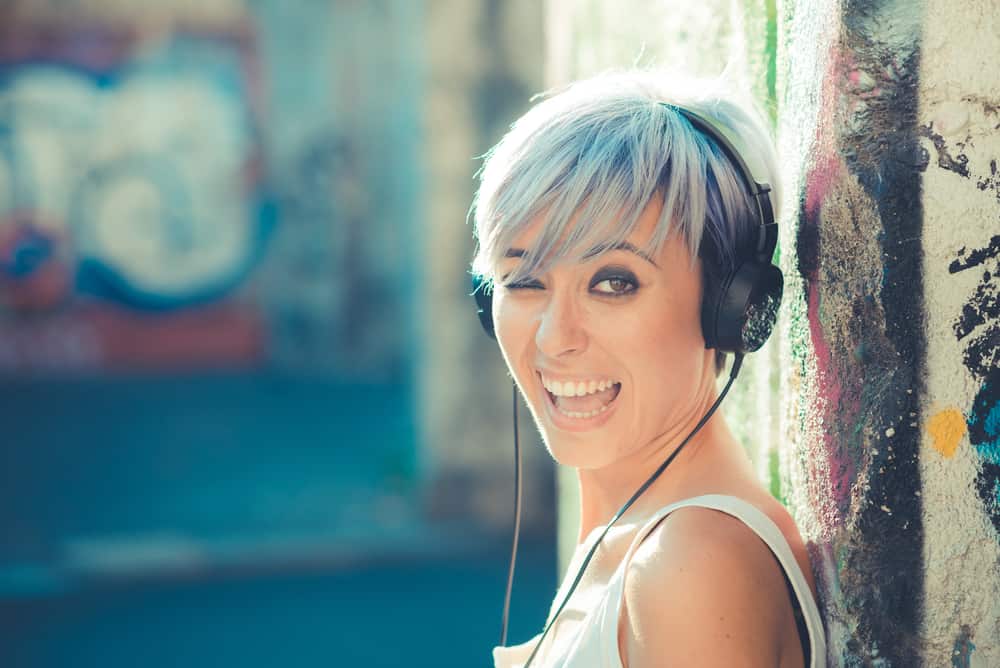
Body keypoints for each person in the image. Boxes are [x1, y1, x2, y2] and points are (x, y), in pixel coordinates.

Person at [469, 69, 827, 667]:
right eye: (524, 280)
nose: (555, 339)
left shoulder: (691, 565)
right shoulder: (644, 541)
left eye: (613, 283)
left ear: (729, 306)